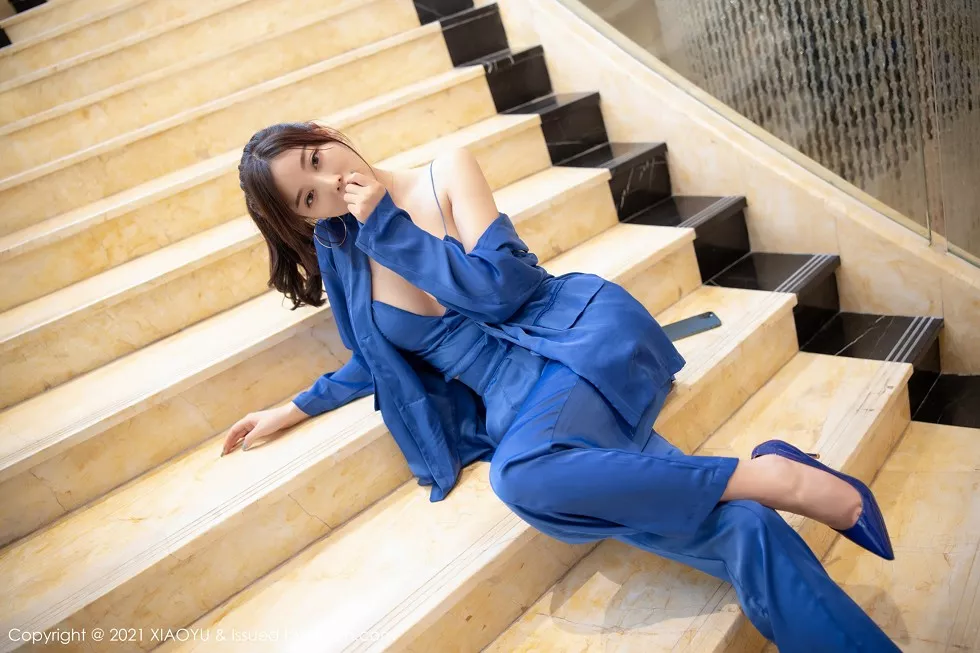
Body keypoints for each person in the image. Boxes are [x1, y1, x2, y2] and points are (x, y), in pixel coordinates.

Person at [228, 121, 898, 651]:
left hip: (568, 343)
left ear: (327, 133)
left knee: (522, 477)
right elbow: (375, 357)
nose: (330, 181)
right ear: (306, 219)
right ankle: (769, 479)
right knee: (738, 527)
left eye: (316, 158)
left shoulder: (445, 172)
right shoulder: (344, 253)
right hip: (518, 406)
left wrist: (390, 227)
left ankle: (773, 478)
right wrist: (292, 408)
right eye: (308, 196)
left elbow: (502, 290)